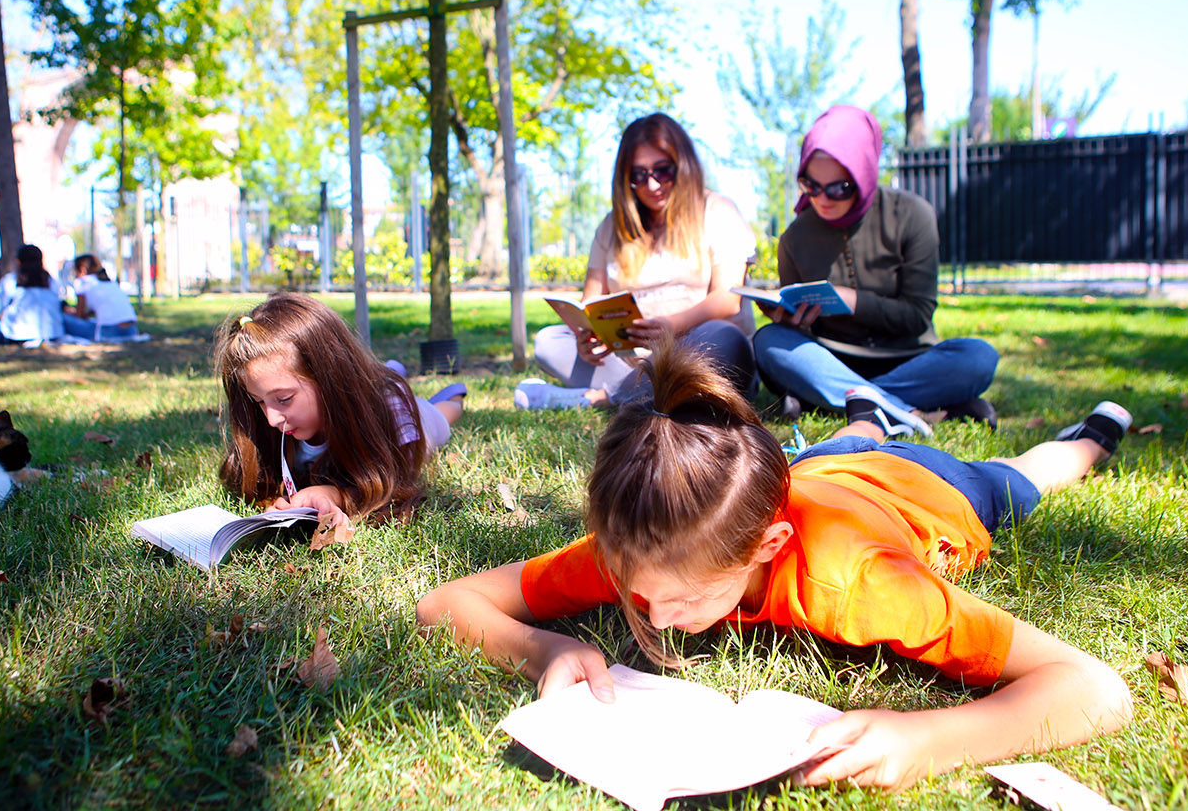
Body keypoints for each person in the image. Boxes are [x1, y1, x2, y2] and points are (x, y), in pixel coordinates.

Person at [417, 342, 1134, 790]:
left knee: (1025, 477)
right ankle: (863, 419)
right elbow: (444, 603)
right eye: (637, 593)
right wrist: (547, 648)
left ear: (766, 547)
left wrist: (928, 739)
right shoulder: (652, 537)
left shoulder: (861, 583)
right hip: (810, 469)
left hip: (931, 490)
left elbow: (1097, 690)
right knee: (835, 448)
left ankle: (1095, 435)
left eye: (685, 600)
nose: (653, 618)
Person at [753, 104, 999, 434]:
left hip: (909, 359)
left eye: (839, 187)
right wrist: (788, 318)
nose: (823, 199)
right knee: (770, 341)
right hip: (833, 359)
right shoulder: (795, 237)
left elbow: (917, 316)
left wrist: (850, 300)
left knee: (978, 357)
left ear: (865, 173)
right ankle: (909, 410)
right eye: (811, 185)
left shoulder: (912, 215)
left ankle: (846, 400)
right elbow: (802, 339)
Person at [520, 112, 757, 410]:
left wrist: (671, 326)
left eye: (663, 171)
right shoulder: (612, 227)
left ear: (682, 166)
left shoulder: (717, 210)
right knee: (549, 341)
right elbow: (590, 303)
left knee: (724, 336)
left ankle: (608, 398)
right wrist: (588, 338)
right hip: (632, 360)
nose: (653, 185)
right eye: (639, 175)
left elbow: (728, 300)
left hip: (704, 353)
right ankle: (645, 393)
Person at [214, 293, 467, 523]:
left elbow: (396, 481)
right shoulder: (280, 425)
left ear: (328, 378)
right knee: (384, 376)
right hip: (373, 389)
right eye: (259, 401)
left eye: (283, 399)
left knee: (441, 416)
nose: (270, 418)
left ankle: (454, 393)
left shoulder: (393, 414)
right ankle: (390, 369)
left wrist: (338, 494)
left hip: (411, 415)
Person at [0, 244, 65, 344]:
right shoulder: (51, 281)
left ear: (18, 261)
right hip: (53, 333)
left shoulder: (12, 280)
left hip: (17, 335)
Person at [61, 254, 139, 341]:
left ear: (82, 270)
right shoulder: (110, 282)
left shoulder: (81, 282)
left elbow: (80, 315)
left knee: (62, 318)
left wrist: (73, 312)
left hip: (108, 332)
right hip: (131, 330)